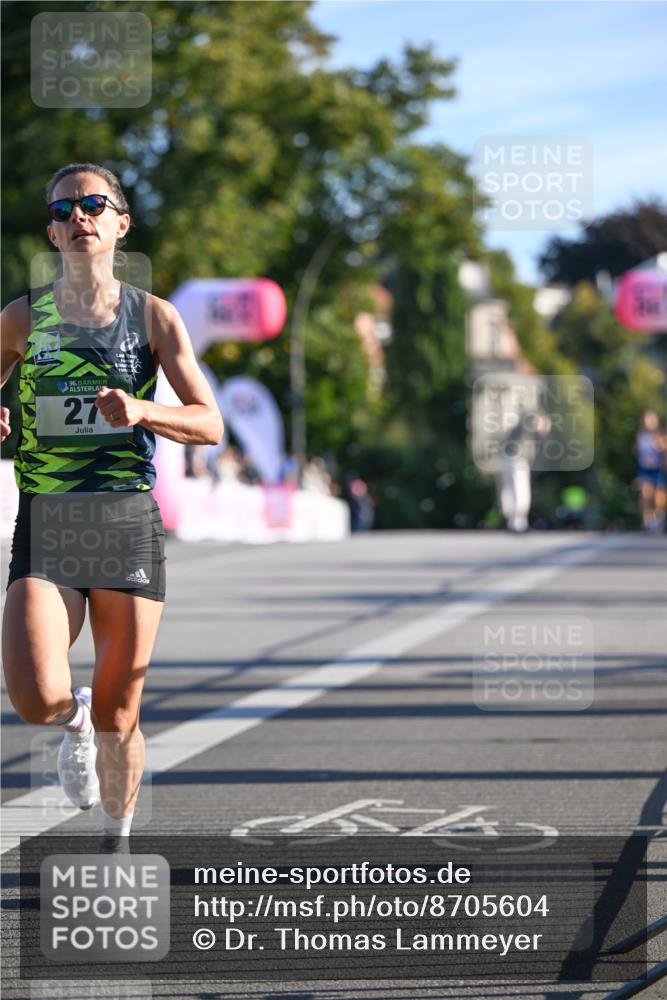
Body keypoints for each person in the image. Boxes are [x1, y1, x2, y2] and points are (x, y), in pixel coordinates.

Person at [0, 163, 223, 851]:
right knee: (35, 694)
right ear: (52, 230)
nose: (79, 217)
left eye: (94, 205)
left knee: (122, 714)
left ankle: (115, 837)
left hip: (123, 525)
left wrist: (143, 411)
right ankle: (73, 723)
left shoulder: (153, 317)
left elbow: (209, 423)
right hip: (49, 520)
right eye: (64, 209)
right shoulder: (19, 317)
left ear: (120, 224)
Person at [635, 410, 666, 533]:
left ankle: (659, 517)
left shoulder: (661, 434)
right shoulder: (640, 436)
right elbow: (638, 453)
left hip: (658, 470)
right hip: (644, 469)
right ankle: (648, 520)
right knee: (646, 494)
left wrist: (660, 443)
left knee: (659, 495)